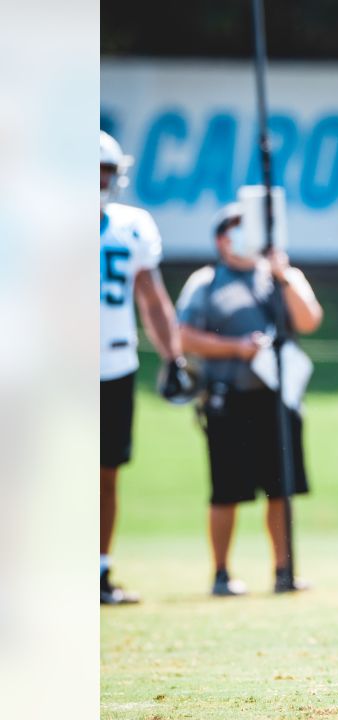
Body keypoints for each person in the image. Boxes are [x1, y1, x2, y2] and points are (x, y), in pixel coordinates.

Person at [176, 203, 324, 596]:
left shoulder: (276, 277)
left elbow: (309, 319)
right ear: (221, 239)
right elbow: (184, 336)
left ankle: (283, 570)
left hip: (276, 399)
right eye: (235, 230)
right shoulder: (206, 282)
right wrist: (235, 348)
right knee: (227, 491)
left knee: (281, 490)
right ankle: (221, 573)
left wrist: (285, 274)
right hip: (230, 398)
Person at [100, 130, 192, 605]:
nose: (97, 181)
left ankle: (97, 569)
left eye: (104, 171)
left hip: (114, 360)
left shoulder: (131, 225)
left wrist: (173, 355)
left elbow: (153, 300)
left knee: (106, 471)